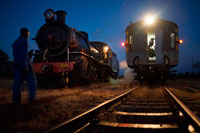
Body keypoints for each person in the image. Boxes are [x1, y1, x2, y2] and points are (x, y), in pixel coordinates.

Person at [12, 28, 36, 104]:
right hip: (24, 63)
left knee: (17, 82)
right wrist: (25, 66)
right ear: (25, 33)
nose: (29, 35)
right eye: (28, 33)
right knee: (31, 80)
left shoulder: (16, 41)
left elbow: (18, 52)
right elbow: (23, 54)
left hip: (16, 62)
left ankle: (16, 99)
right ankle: (32, 97)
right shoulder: (24, 41)